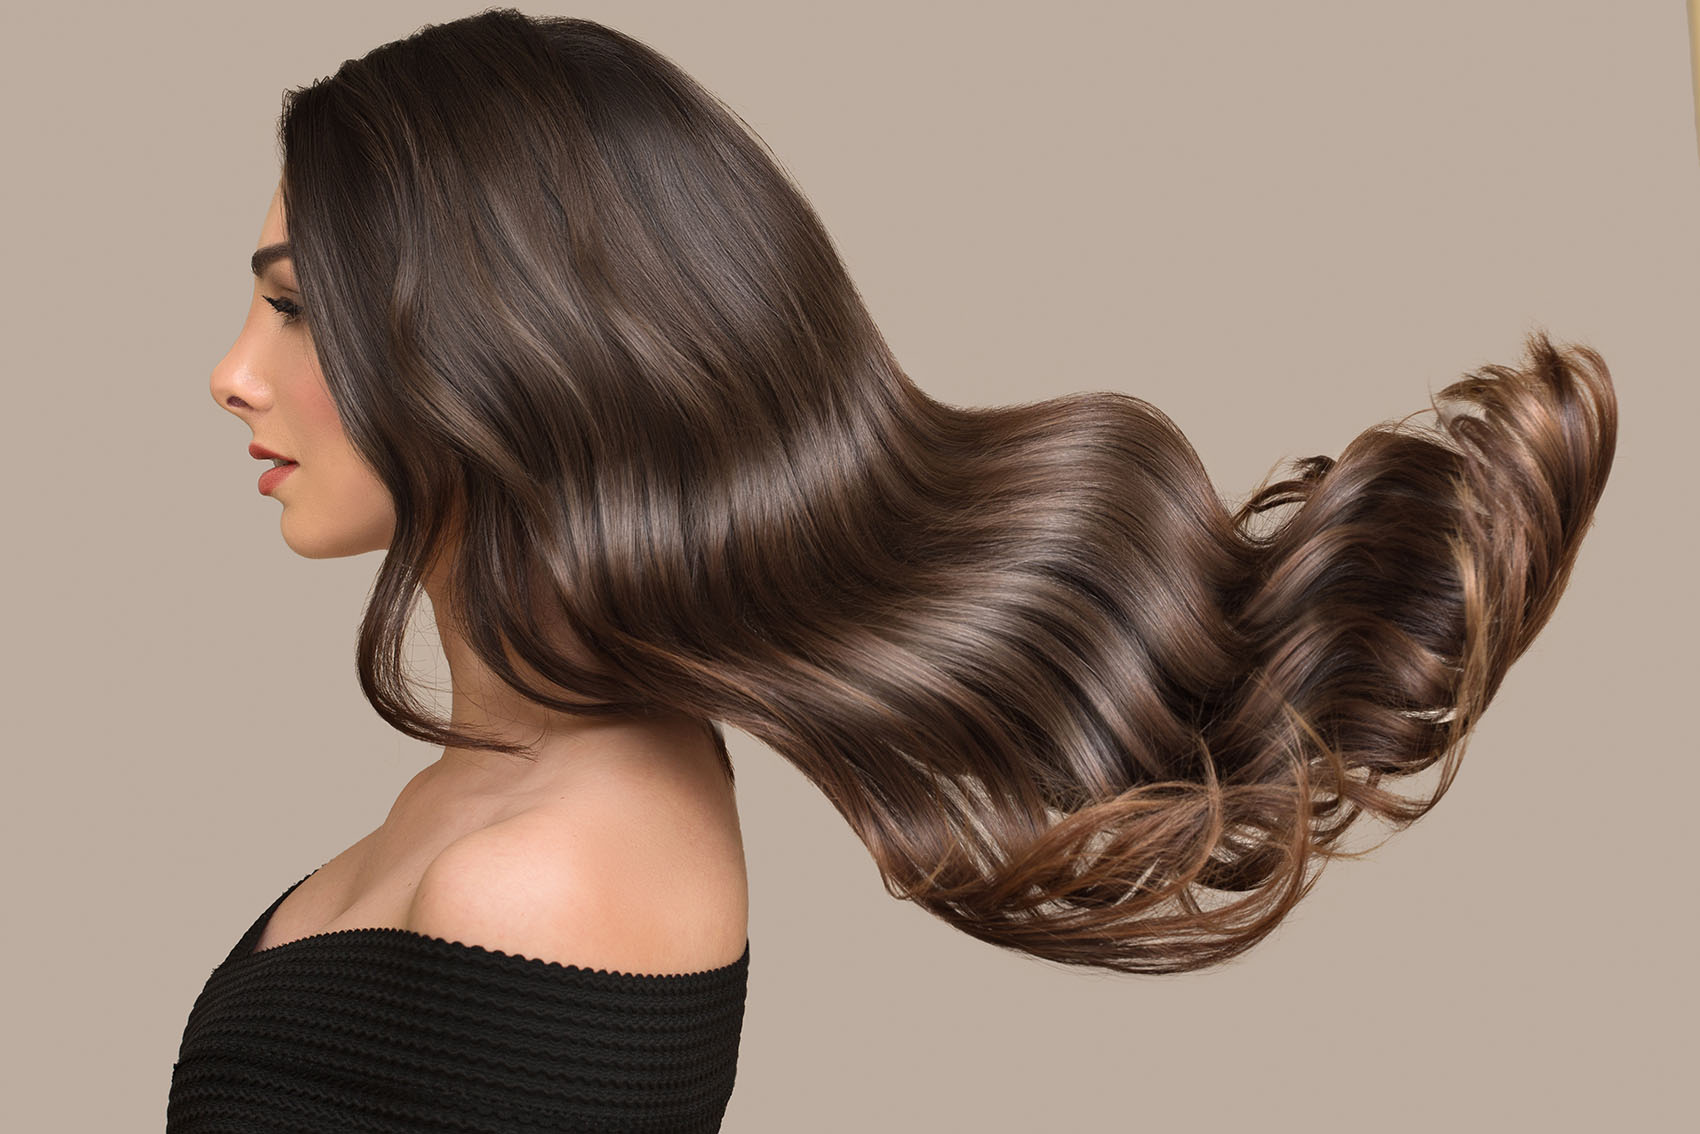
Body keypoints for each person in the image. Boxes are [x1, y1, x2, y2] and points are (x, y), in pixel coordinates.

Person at [168, 7, 1618, 1132]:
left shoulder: (546, 877)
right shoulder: (503, 788)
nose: (232, 373)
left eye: (296, 308)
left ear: (507, 346)